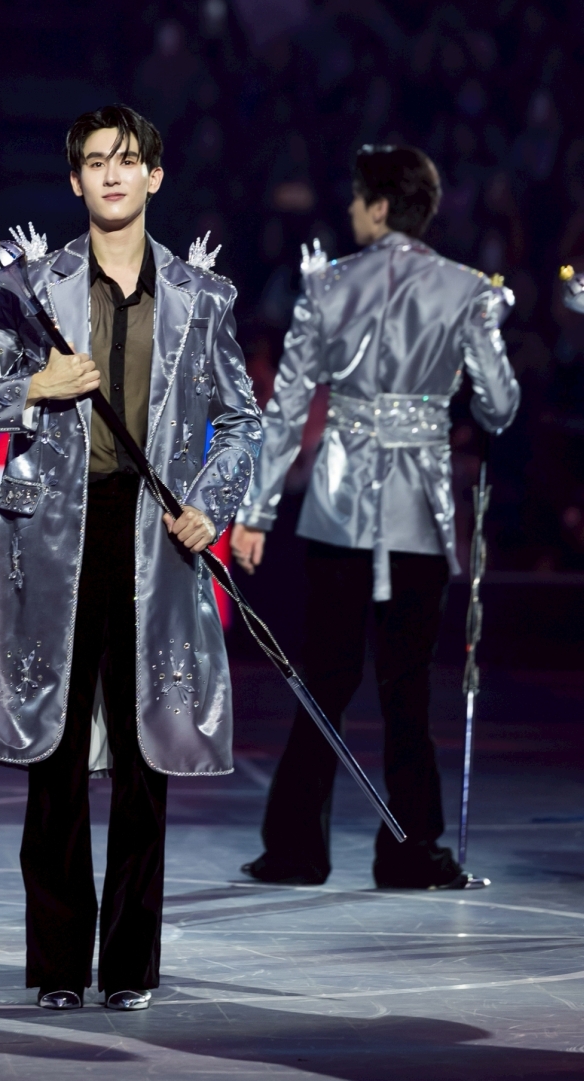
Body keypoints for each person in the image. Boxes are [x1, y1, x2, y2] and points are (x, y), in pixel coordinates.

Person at [0, 105, 261, 1010]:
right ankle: (55, 968)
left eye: (127, 160)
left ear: (155, 175)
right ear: (74, 179)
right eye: (94, 161)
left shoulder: (202, 298)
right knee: (53, 758)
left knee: (146, 761)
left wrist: (212, 503)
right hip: (53, 541)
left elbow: (241, 422)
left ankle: (128, 969)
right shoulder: (30, 289)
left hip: (156, 538)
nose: (111, 174)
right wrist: (34, 384)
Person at [231, 144, 520, 890]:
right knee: (407, 687)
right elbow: (499, 406)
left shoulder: (327, 286)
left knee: (323, 677)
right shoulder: (466, 288)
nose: (354, 210)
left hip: (339, 507)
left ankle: (296, 849)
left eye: (361, 199)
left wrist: (256, 512)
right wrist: (490, 326)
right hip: (417, 510)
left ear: (382, 206)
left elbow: (288, 407)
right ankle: (412, 850)